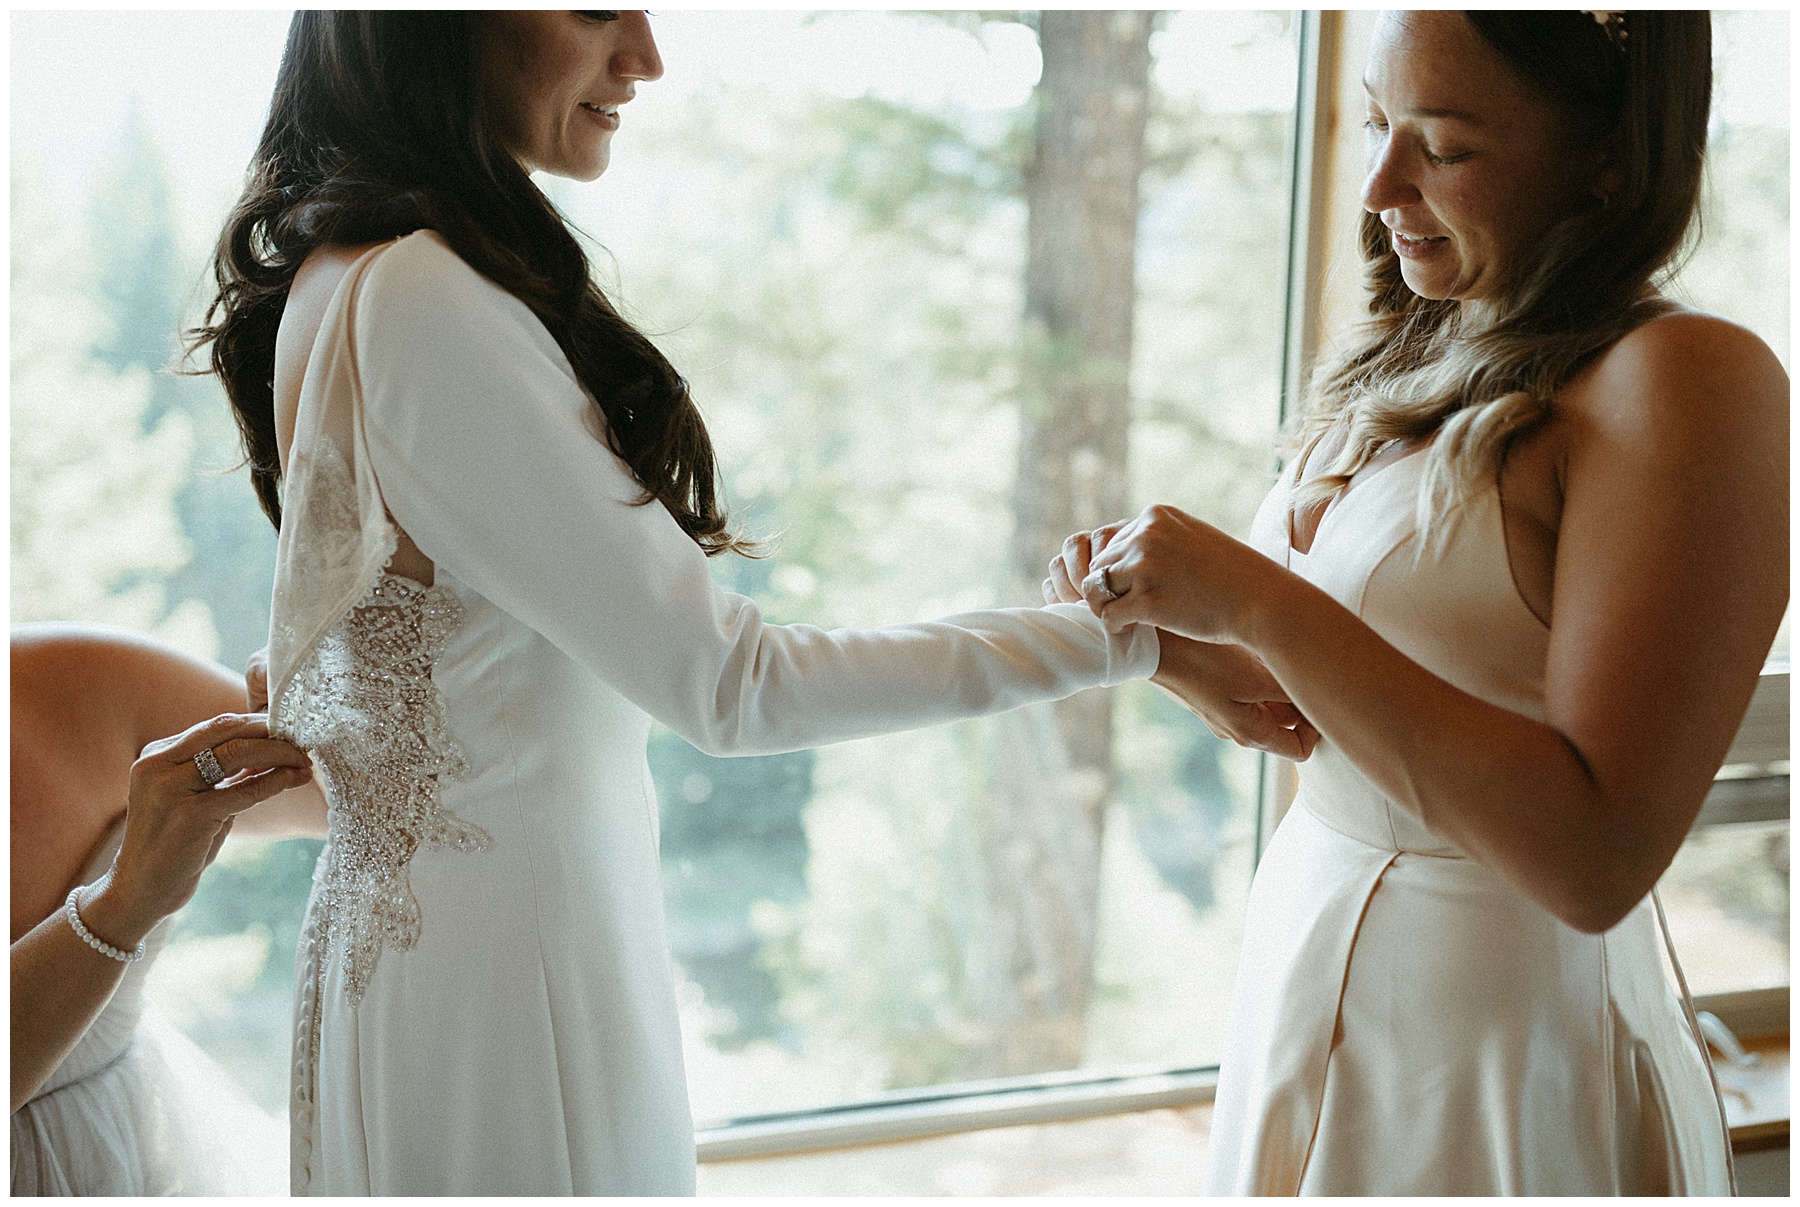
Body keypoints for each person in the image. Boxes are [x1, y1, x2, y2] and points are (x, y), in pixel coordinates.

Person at [192, 12, 1210, 1195]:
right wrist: (1118, 640)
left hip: (437, 962)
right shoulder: (420, 292)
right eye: (593, 9)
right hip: (510, 992)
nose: (644, 58)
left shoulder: (348, 271)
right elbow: (735, 684)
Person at [1048, 9, 1785, 1195]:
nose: (1382, 183)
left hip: (1494, 1036)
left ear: (1607, 157)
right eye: (1381, 121)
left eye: (1442, 146)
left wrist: (1257, 604)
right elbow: (1380, 682)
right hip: (1309, 963)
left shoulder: (1686, 381)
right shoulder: (1420, 353)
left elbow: (1595, 856)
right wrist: (1185, 647)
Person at [11, 623, 325, 1195]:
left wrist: (322, 684)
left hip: (142, 1156)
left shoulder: (77, 678)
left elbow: (384, 796)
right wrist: (123, 903)